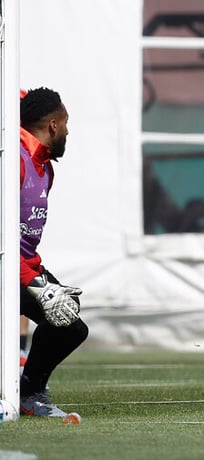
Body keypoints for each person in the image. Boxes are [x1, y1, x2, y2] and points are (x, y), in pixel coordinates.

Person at [19, 87, 89, 417]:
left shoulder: (45, 168)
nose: (68, 130)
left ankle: (28, 389)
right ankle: (26, 392)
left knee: (71, 319)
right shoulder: (13, 161)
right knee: (66, 324)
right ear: (52, 126)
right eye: (66, 122)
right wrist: (38, 286)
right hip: (10, 269)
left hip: (25, 267)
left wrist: (44, 283)